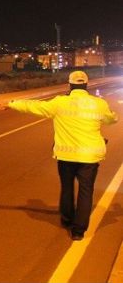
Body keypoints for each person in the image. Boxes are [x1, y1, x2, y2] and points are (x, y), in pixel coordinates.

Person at [8, 70, 117, 241]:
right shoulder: (99, 104)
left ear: (70, 85)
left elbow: (35, 106)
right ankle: (79, 231)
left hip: (66, 156)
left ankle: (67, 220)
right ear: (86, 86)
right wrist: (111, 116)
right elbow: (111, 120)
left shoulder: (60, 103)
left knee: (67, 188)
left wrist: (13, 103)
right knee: (86, 191)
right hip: (89, 157)